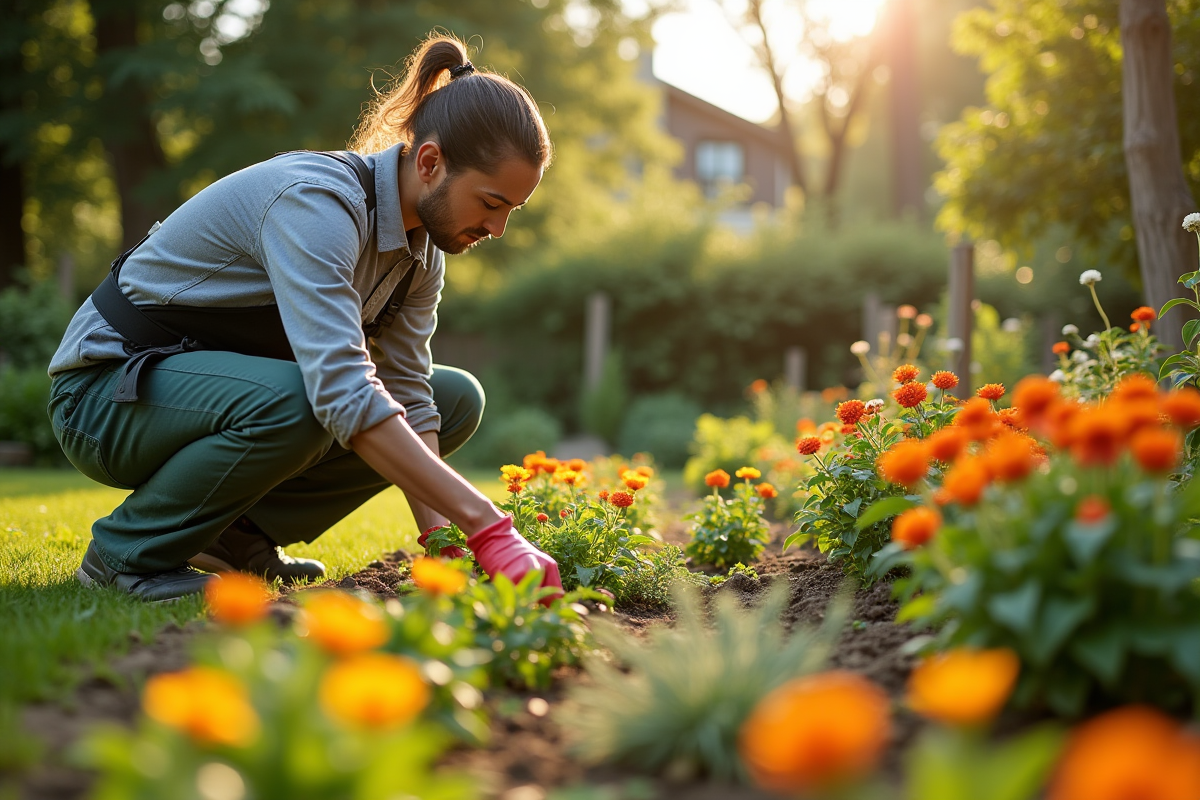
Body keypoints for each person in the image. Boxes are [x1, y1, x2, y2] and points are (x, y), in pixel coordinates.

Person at [47, 34, 563, 602]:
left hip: (197, 394)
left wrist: (442, 539)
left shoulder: (422, 256)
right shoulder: (316, 205)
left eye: (510, 211)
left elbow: (410, 395)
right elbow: (340, 388)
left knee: (451, 397)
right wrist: (490, 528)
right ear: (431, 161)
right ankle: (124, 555)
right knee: (310, 399)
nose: (497, 230)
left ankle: (235, 539)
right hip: (102, 395)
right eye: (491, 203)